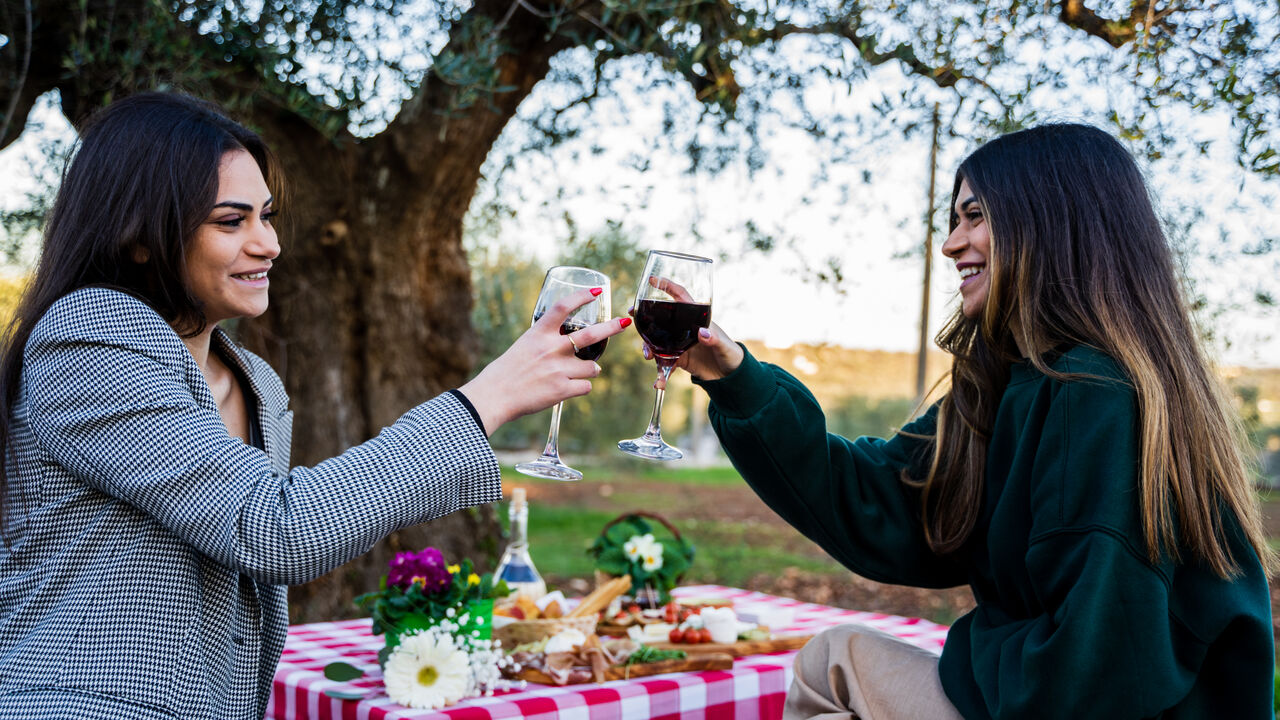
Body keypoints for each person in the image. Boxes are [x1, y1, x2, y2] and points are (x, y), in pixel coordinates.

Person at [0, 92, 628, 719]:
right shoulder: (87, 337)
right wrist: (486, 398)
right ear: (139, 238)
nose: (268, 244)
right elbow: (276, 529)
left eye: (266, 216)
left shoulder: (256, 383)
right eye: (231, 222)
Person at [660, 124, 1275, 718]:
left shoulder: (1094, 393)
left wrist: (973, 642)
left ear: (1052, 223)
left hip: (1079, 706)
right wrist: (736, 379)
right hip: (1044, 697)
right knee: (834, 670)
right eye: (955, 220)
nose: (952, 244)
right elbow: (885, 501)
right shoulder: (1008, 383)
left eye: (975, 216)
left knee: (833, 661)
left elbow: (1090, 673)